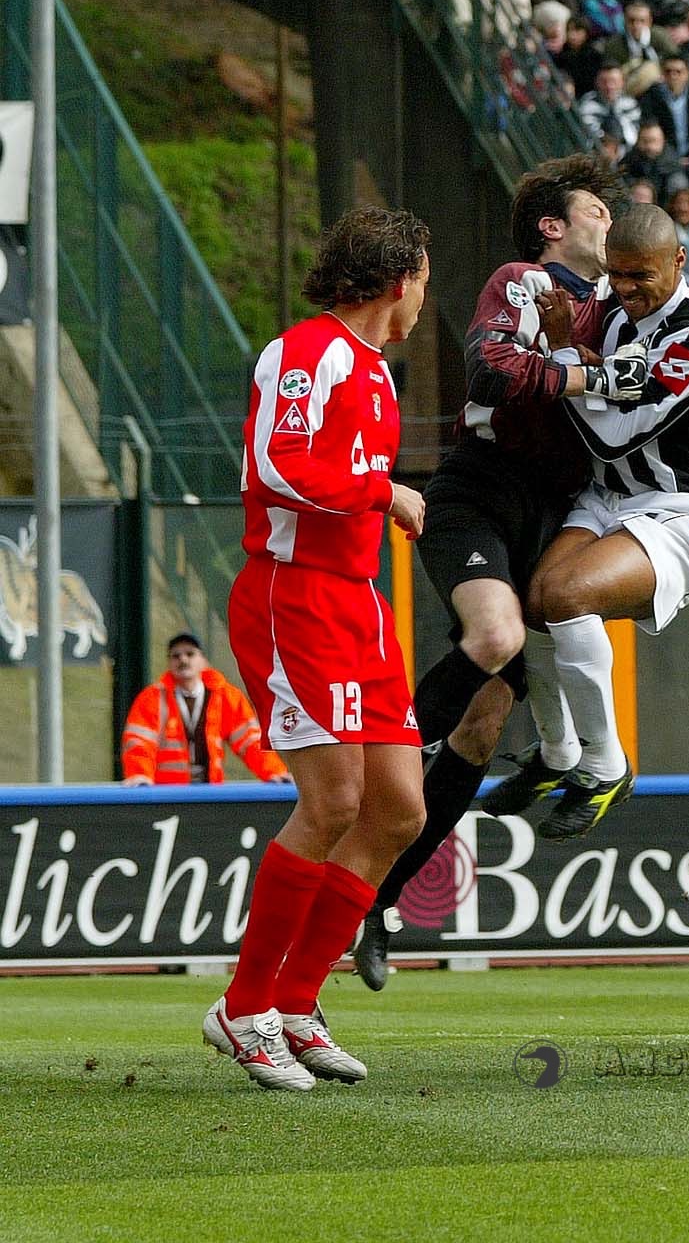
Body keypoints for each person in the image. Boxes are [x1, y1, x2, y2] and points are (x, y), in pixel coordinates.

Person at [353, 157, 636, 989]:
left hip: (558, 514)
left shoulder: (623, 308)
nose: (610, 220)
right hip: (479, 492)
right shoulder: (522, 281)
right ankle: (394, 748)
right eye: (595, 209)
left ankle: (380, 902)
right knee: (496, 634)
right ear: (553, 227)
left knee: (482, 727)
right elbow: (491, 371)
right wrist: (594, 373)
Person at [203, 206, 433, 1092]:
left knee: (398, 809)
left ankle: (297, 1002)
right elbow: (278, 465)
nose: (424, 297)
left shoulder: (375, 371)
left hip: (356, 601)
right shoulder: (309, 352)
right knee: (334, 798)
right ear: (398, 278)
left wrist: (379, 496)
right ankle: (244, 1005)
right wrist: (386, 490)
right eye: (423, 279)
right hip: (292, 596)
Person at [504, 203, 689, 841]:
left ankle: (607, 767)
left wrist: (564, 359)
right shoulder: (615, 314)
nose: (627, 289)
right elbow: (605, 389)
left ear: (679, 261)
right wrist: (581, 361)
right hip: (607, 498)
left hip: (681, 512)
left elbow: (612, 436)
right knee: (533, 602)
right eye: (617, 274)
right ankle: (559, 753)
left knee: (567, 594)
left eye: (642, 275)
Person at [121, 632, 289, 786]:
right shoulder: (152, 699)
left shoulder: (225, 696)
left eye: (190, 654)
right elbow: (139, 744)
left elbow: (250, 741)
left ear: (202, 660)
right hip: (167, 793)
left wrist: (274, 772)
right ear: (169, 663)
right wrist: (140, 776)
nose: (183, 660)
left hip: (209, 793)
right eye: (176, 656)